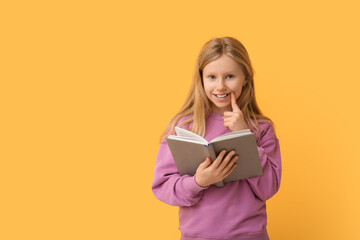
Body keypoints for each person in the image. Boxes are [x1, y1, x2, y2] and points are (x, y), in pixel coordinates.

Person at [151, 36, 282, 240]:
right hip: (197, 236)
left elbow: (269, 188)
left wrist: (243, 135)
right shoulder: (183, 126)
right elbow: (162, 186)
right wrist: (198, 182)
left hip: (249, 235)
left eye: (230, 76)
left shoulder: (261, 128)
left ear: (245, 78)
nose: (220, 86)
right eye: (212, 77)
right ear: (201, 78)